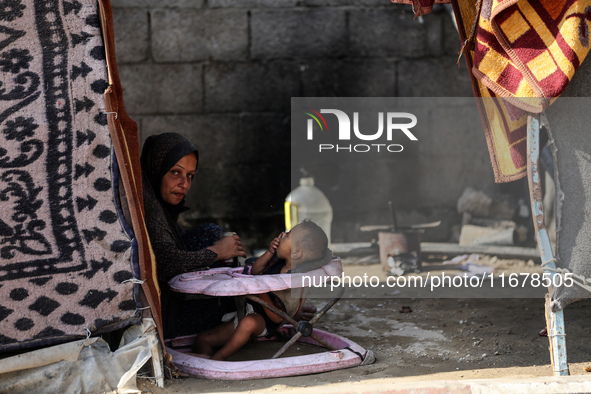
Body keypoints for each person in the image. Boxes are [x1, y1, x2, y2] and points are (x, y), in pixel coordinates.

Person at [141, 132, 247, 338]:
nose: (184, 183)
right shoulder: (149, 208)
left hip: (174, 303)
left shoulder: (157, 203)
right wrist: (216, 252)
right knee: (236, 316)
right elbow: (165, 263)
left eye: (190, 175)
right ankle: (259, 313)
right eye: (175, 172)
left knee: (211, 233)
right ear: (157, 168)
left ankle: (263, 307)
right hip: (164, 319)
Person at [192, 220, 331, 361]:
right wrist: (270, 253)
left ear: (295, 253)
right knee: (202, 339)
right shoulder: (279, 262)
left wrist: (257, 290)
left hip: (264, 320)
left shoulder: (293, 279)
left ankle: (219, 357)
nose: (282, 234)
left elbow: (279, 317)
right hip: (247, 309)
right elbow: (255, 271)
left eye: (288, 235)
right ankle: (204, 357)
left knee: (248, 323)